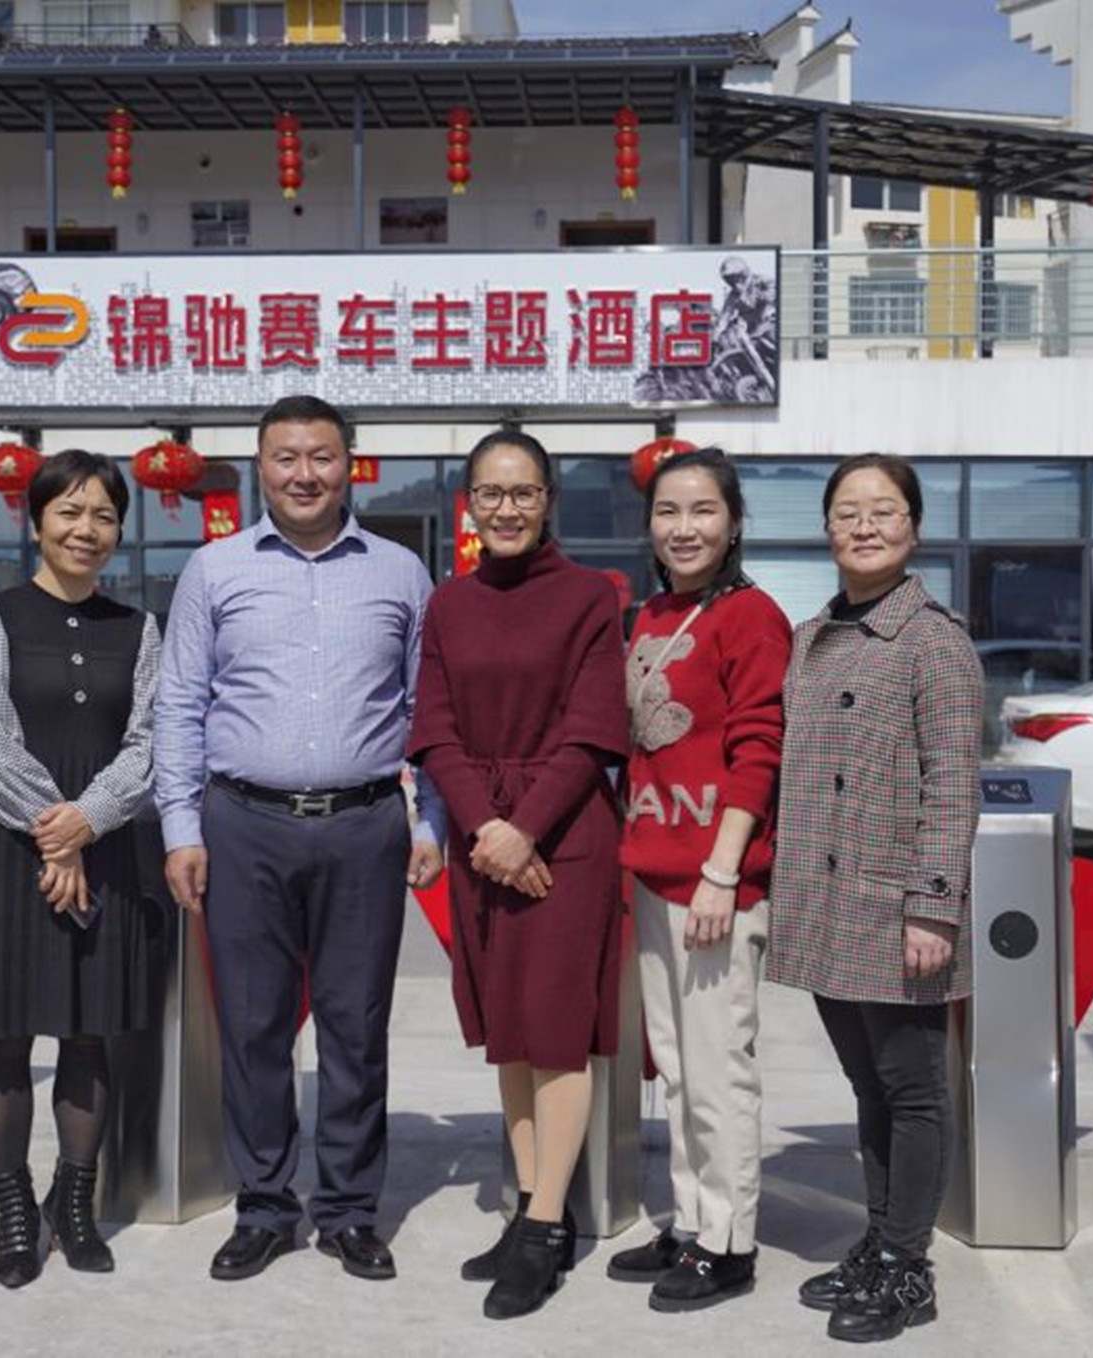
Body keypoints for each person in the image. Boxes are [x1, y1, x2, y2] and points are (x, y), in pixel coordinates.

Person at [153, 394, 446, 1285]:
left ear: (350, 465)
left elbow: (428, 709)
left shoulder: (400, 572)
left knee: (357, 1027)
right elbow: (180, 703)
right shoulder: (214, 569)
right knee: (254, 1027)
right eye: (286, 457)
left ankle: (350, 1211)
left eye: (322, 456)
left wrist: (430, 817)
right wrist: (180, 827)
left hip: (364, 824)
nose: (304, 474)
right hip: (243, 824)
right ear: (261, 466)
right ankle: (265, 1207)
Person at [406, 429, 630, 1321]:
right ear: (469, 504)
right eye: (491, 493)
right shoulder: (450, 604)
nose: (507, 508)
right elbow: (433, 728)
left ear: (548, 503)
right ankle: (534, 1208)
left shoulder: (589, 597)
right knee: (509, 1028)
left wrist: (524, 827)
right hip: (482, 840)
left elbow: (594, 729)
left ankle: (543, 1229)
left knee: (557, 1030)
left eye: (524, 492)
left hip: (565, 836)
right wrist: (485, 827)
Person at [768, 453, 983, 1344]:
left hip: (896, 906)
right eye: (847, 512)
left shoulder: (934, 640)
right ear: (827, 529)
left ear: (914, 528)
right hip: (827, 902)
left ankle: (908, 1266)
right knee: (869, 1086)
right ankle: (881, 1238)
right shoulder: (812, 635)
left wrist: (933, 904)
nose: (864, 526)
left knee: (913, 1089)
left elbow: (953, 781)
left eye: (883, 511)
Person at [0, 448, 165, 1289]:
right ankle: (14, 1214)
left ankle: (73, 1204)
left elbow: (148, 743)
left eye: (104, 515)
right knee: (8, 1035)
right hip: (13, 850)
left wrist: (87, 823)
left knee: (87, 1031)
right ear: (35, 521)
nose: (87, 529)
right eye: (69, 512)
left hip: (104, 850)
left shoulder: (138, 628)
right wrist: (55, 833)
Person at [609, 448, 791, 1313]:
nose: (684, 528)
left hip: (715, 883)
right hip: (653, 871)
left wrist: (724, 871)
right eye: (668, 511)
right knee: (678, 1069)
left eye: (703, 511)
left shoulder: (751, 616)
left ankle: (729, 1241)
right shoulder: (653, 613)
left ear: (735, 522)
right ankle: (689, 1222)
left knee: (719, 1070)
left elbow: (760, 750)